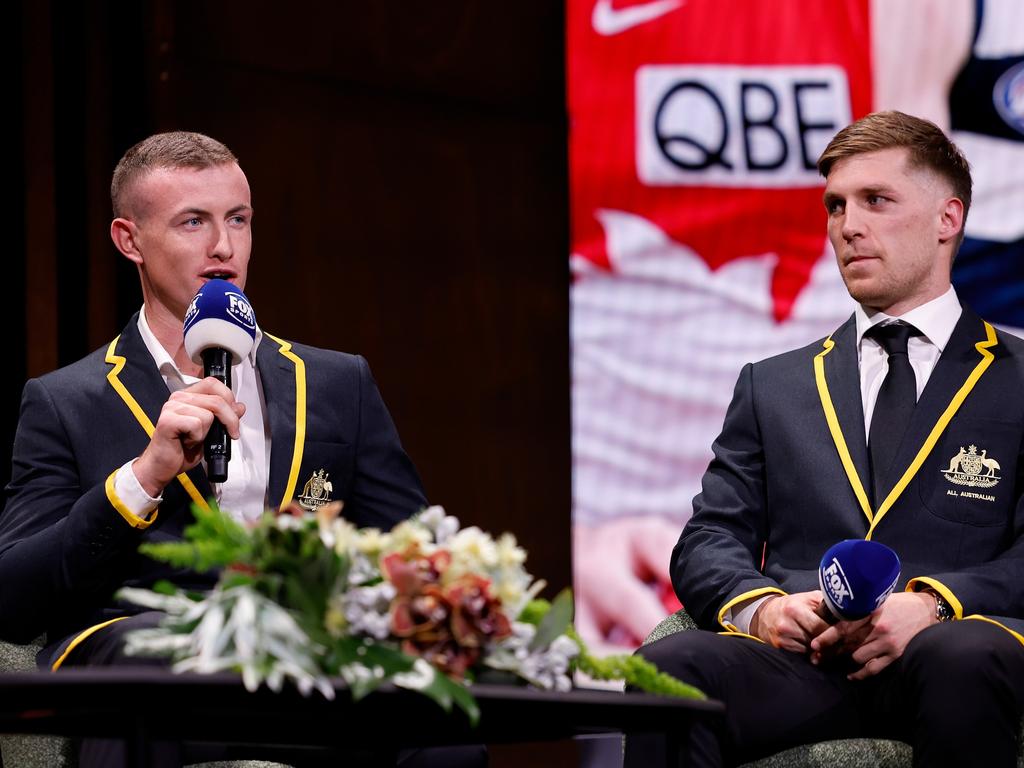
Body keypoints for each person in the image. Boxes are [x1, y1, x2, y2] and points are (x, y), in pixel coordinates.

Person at [0, 132, 482, 767]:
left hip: (313, 673)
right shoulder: (68, 401)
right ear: (130, 240)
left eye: (238, 220)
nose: (223, 246)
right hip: (161, 675)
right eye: (193, 222)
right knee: (151, 656)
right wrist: (144, 478)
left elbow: (415, 552)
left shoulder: (338, 383)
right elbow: (14, 592)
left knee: (445, 713)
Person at [630, 112, 1024, 767]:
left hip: (949, 647)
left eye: (876, 200)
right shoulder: (772, 384)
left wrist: (933, 604)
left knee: (966, 657)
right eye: (835, 205)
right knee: (672, 665)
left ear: (947, 219)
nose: (848, 225)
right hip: (804, 659)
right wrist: (763, 610)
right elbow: (708, 539)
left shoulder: (1018, 378)